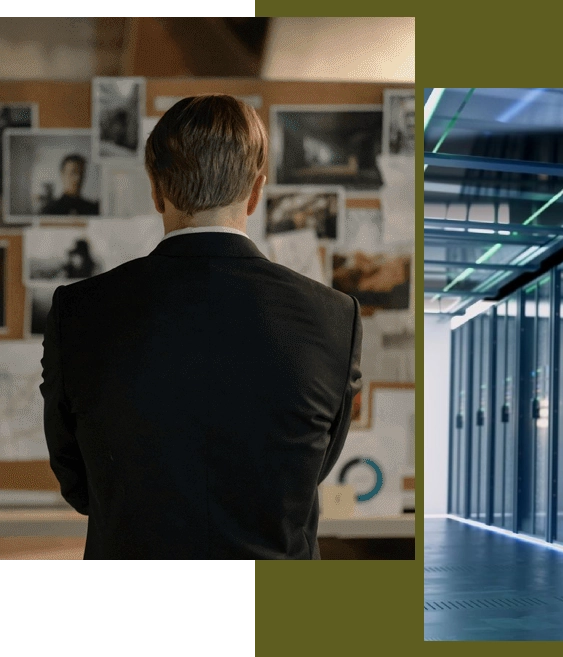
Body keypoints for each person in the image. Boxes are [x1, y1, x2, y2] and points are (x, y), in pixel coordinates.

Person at [39, 94, 363, 560]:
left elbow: (79, 485)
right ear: (256, 192)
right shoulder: (336, 317)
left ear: (156, 190)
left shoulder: (78, 310)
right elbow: (309, 471)